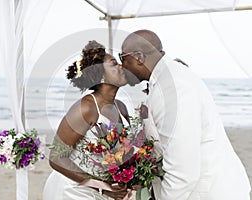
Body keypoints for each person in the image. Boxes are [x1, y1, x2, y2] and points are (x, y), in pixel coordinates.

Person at [120, 29, 251, 199]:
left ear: (139, 57)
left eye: (123, 58)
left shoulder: (171, 87)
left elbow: (182, 171)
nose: (122, 65)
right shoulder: (167, 80)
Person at [43, 40, 132, 200]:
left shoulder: (122, 108)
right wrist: (102, 187)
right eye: (114, 64)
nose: (121, 66)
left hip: (103, 191)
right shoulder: (86, 109)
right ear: (101, 76)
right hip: (72, 191)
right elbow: (56, 158)